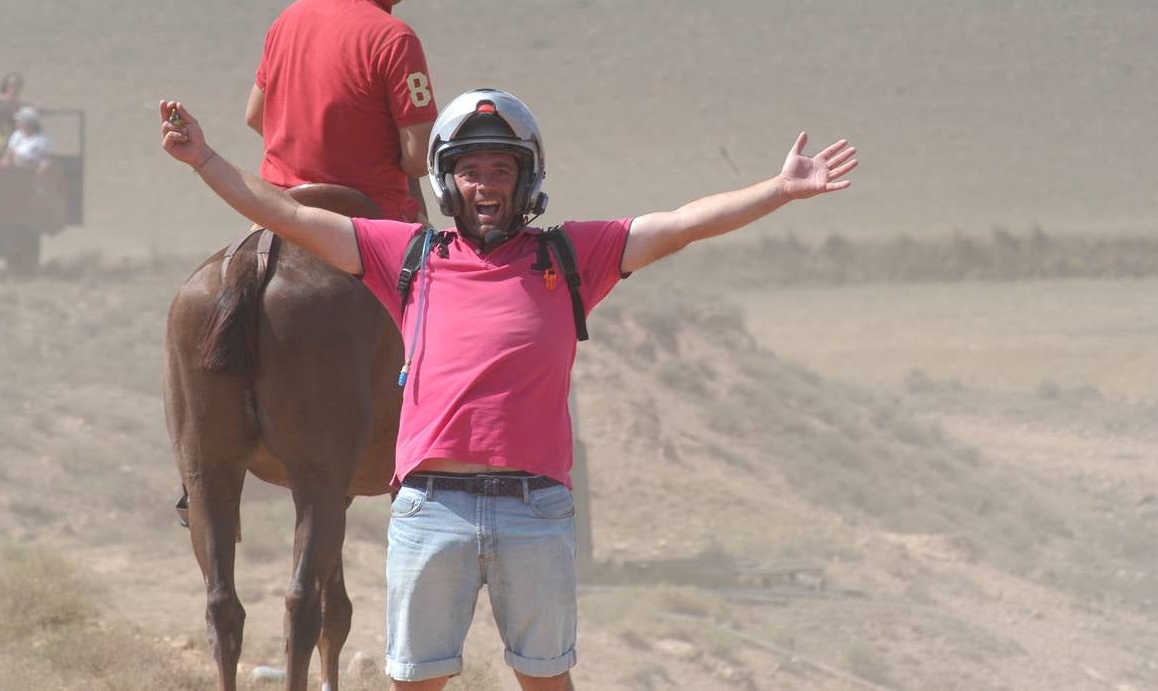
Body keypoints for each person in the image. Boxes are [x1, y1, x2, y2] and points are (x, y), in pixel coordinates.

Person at [158, 90, 858, 690]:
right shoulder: (407, 256)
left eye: (500, 169)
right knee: (416, 682)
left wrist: (777, 189)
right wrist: (205, 161)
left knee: (547, 681)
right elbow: (289, 218)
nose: (484, 184)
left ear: (526, 181)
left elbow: (677, 226)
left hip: (533, 511)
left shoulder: (570, 255)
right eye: (468, 172)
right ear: (444, 184)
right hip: (432, 511)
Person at [246, 0, 440, 224]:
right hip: (369, 223)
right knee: (441, 271)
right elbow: (418, 160)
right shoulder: (395, 39)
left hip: (279, 214)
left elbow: (255, 115)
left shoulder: (287, 19)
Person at [0, 106, 53, 172]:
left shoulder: (43, 139)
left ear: (27, 123)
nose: (17, 123)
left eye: (19, 121)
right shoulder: (17, 134)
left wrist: (41, 171)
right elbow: (9, 152)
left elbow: (47, 158)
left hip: (33, 171)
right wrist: (6, 161)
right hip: (15, 170)